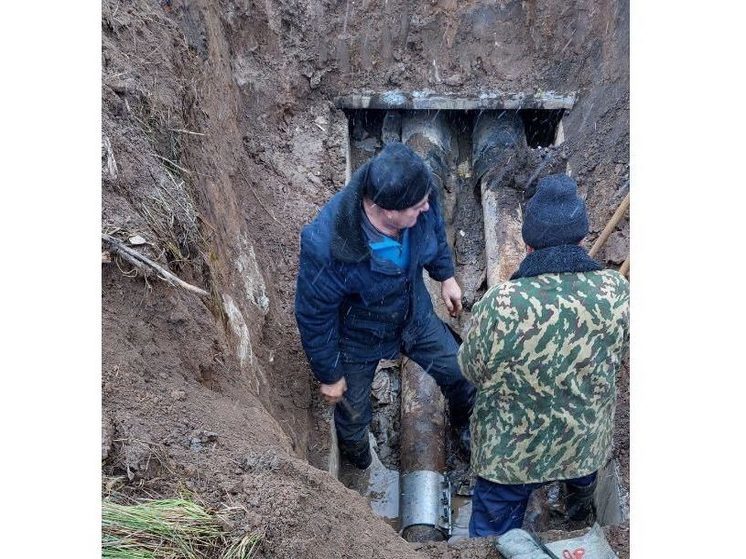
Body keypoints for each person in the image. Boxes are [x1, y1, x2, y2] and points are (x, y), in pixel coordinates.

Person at [458, 174, 630, 537]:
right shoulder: (616, 292)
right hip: (582, 447)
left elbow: (470, 370)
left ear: (528, 243)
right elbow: (623, 351)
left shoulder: (501, 303)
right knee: (582, 484)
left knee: (491, 534)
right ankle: (577, 518)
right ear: (582, 237)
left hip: (508, 459)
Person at [295, 142, 476, 469]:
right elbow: (314, 316)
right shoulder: (326, 245)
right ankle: (359, 467)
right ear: (387, 209)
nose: (425, 208)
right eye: (417, 206)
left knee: (460, 374)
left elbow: (432, 227)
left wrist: (446, 276)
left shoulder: (420, 195)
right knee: (352, 419)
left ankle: (464, 424)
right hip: (358, 335)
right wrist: (330, 373)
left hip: (413, 316)